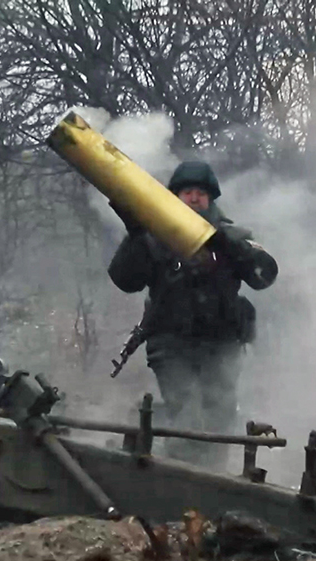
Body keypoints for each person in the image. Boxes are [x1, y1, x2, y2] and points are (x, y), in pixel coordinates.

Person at [107, 160, 278, 471]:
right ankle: (182, 479)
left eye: (201, 192)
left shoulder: (230, 236)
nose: (195, 198)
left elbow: (264, 275)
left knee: (219, 416)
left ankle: (212, 476)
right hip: (171, 344)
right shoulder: (155, 237)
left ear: (211, 198)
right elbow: (124, 280)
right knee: (187, 415)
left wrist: (227, 244)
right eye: (187, 192)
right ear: (175, 195)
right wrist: (136, 234)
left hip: (220, 345)